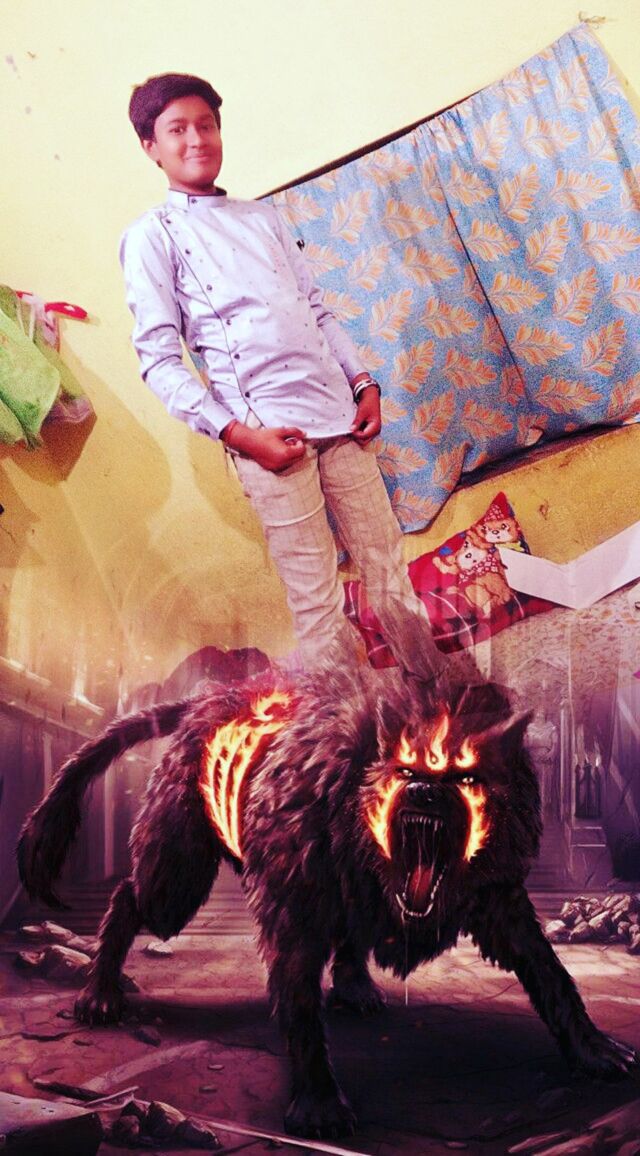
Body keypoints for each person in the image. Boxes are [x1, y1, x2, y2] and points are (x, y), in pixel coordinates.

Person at [121, 72, 434, 667]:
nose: (196, 140)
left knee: (388, 568)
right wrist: (241, 437)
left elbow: (315, 310)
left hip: (340, 419)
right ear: (150, 146)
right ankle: (350, 721)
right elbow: (159, 362)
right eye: (177, 130)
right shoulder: (150, 237)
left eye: (206, 125)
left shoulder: (261, 217)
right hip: (270, 439)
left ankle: (438, 688)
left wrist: (363, 383)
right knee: (317, 603)